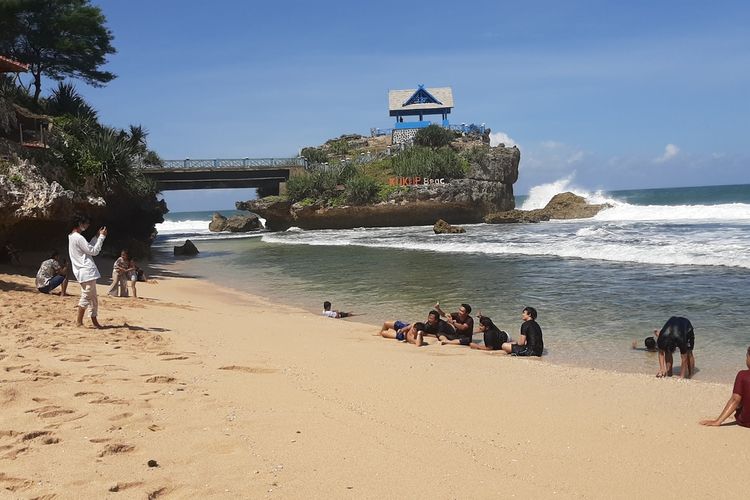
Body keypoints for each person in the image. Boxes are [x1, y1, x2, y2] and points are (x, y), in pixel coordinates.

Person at [68, 214, 107, 328]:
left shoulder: (72, 236)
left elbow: (87, 248)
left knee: (93, 297)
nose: (88, 225)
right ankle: (79, 321)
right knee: (87, 296)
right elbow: (94, 251)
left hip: (82, 271)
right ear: (80, 224)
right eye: (86, 223)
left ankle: (94, 320)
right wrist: (101, 238)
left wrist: (96, 236)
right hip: (86, 270)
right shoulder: (78, 238)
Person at [700, 346, 750, 428]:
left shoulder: (742, 375)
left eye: (747, 356)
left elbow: (735, 400)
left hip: (746, 422)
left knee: (741, 397)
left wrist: (718, 421)